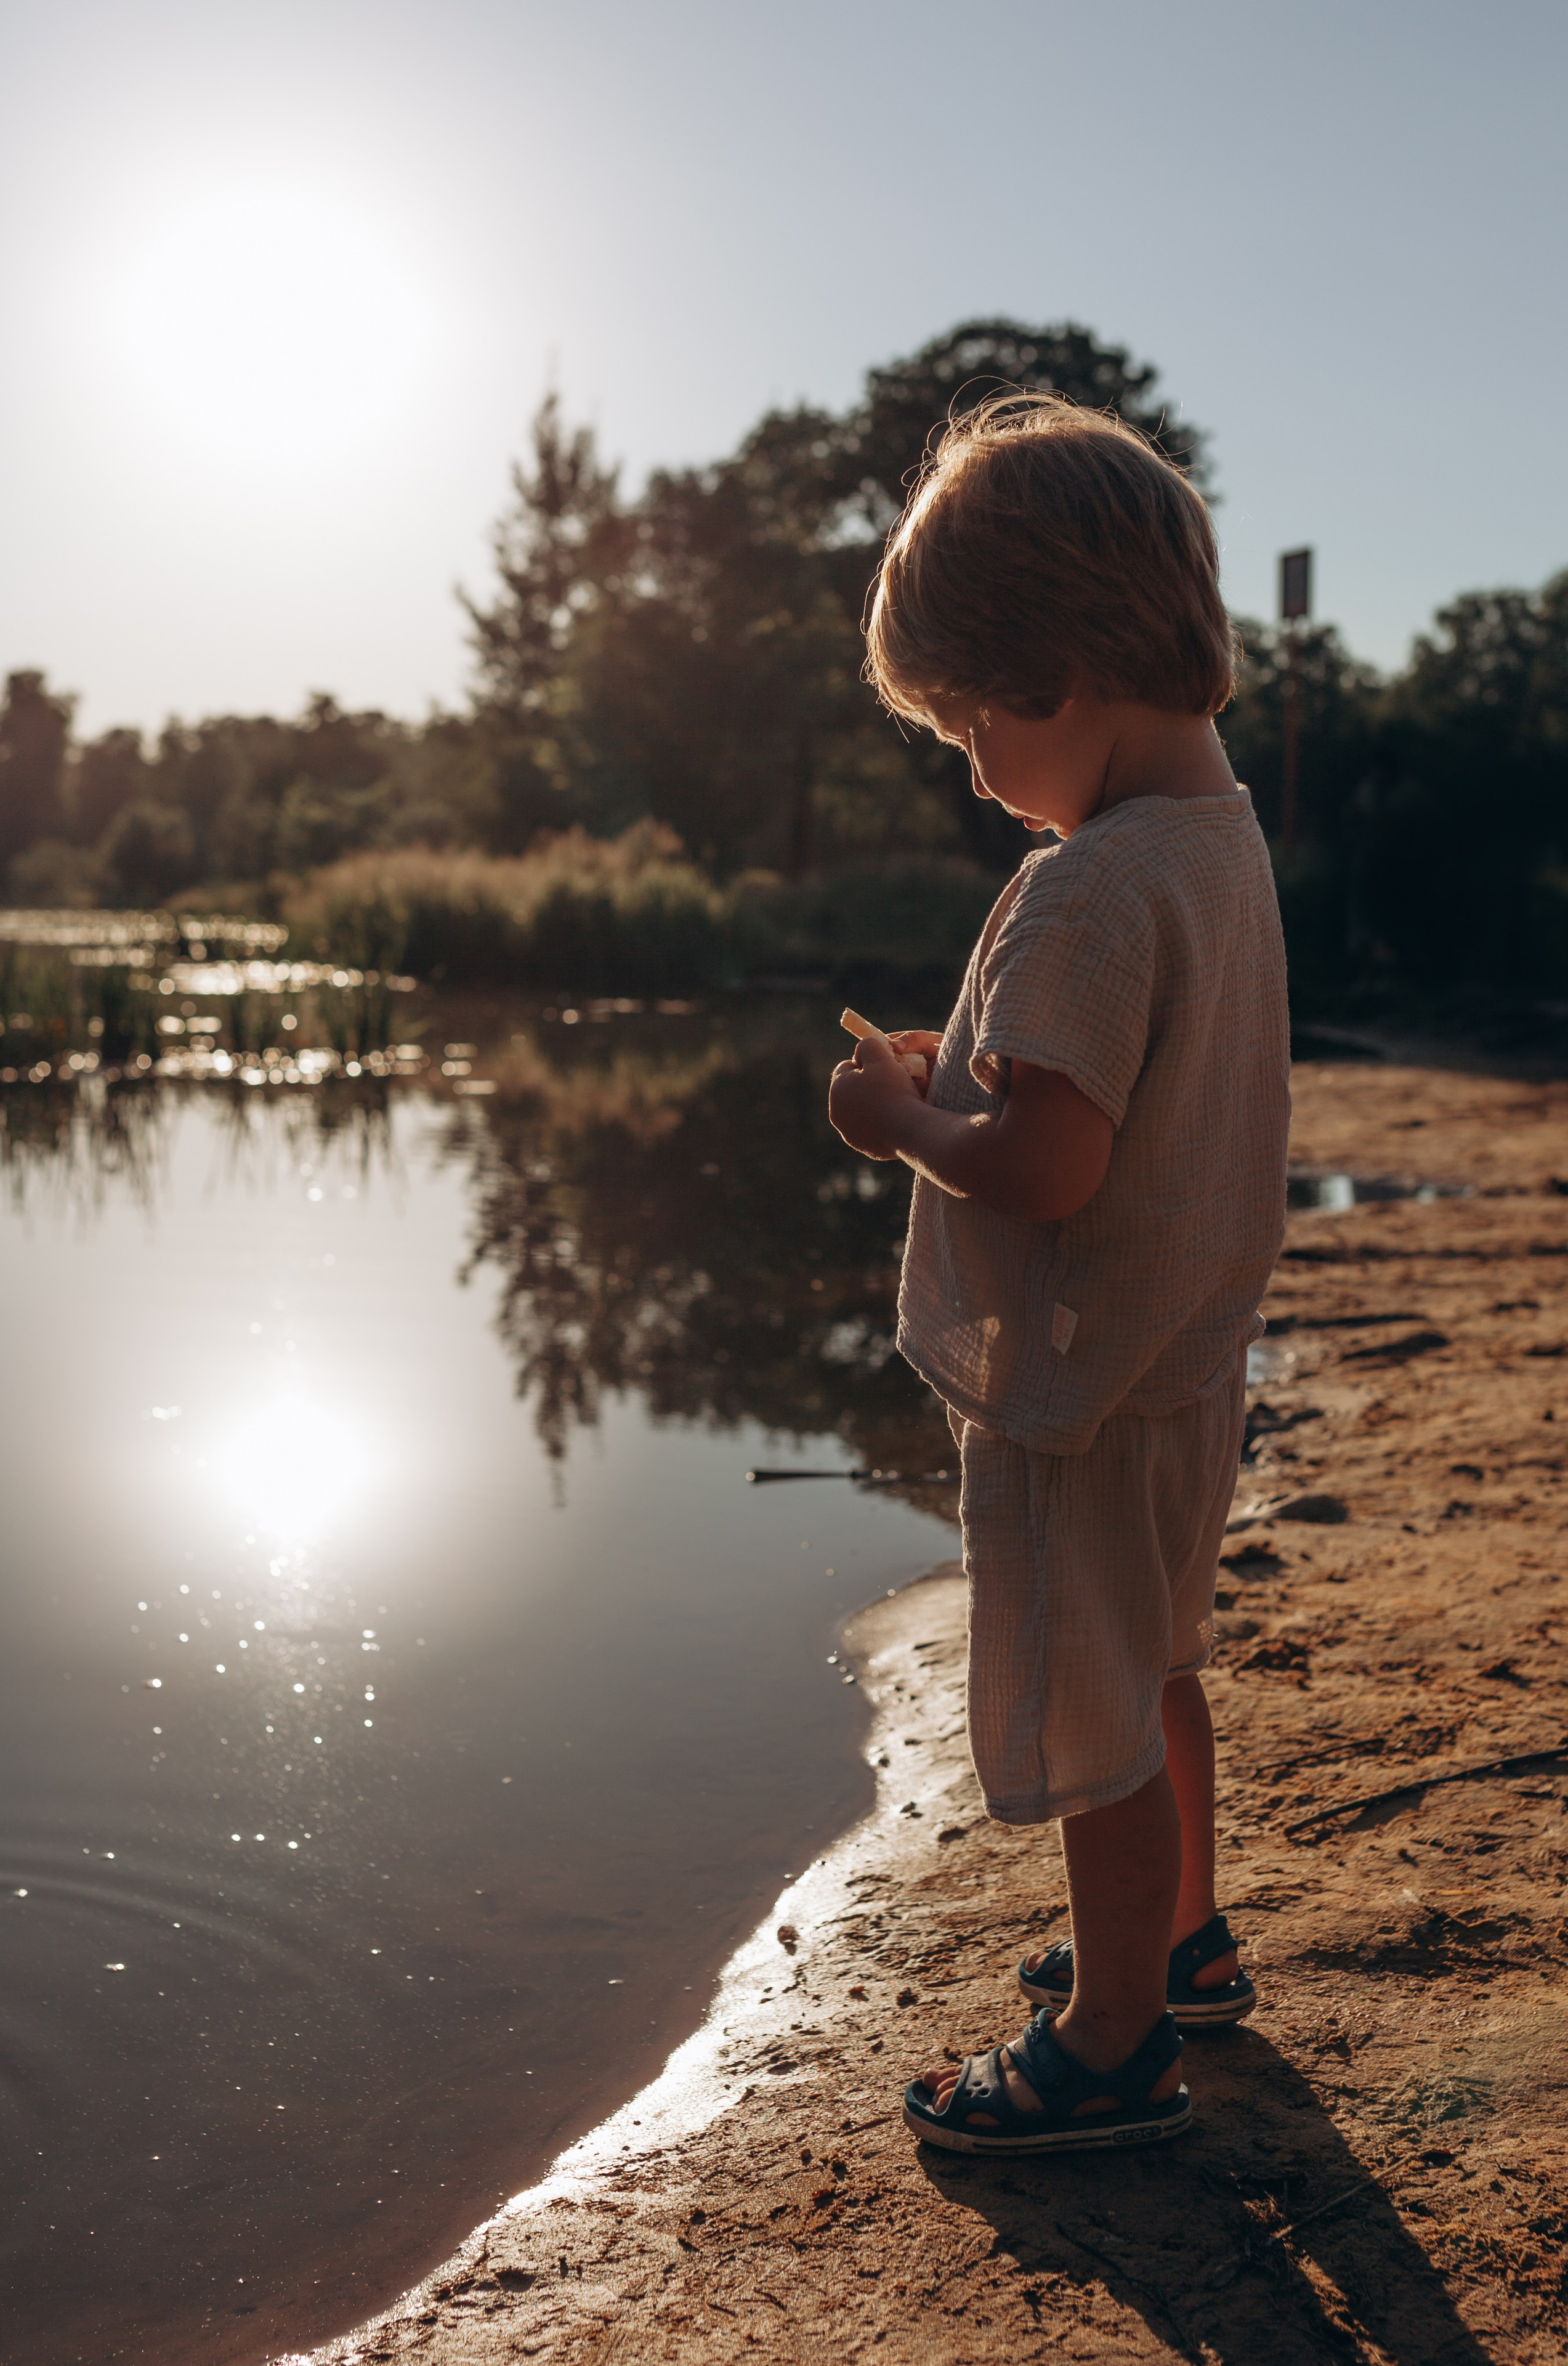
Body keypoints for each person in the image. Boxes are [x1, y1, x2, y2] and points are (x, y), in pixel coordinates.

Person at [827, 395, 1290, 2155]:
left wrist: (901, 1120)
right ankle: (1184, 1942)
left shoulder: (1088, 888)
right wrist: (981, 1065)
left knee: (1093, 1714)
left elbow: (1050, 1159)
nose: (970, 767)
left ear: (1056, 672)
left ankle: (1112, 2042)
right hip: (1186, 1371)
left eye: (966, 723)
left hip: (1090, 1391)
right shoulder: (1218, 844)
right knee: (1160, 1660)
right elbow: (1110, 1081)